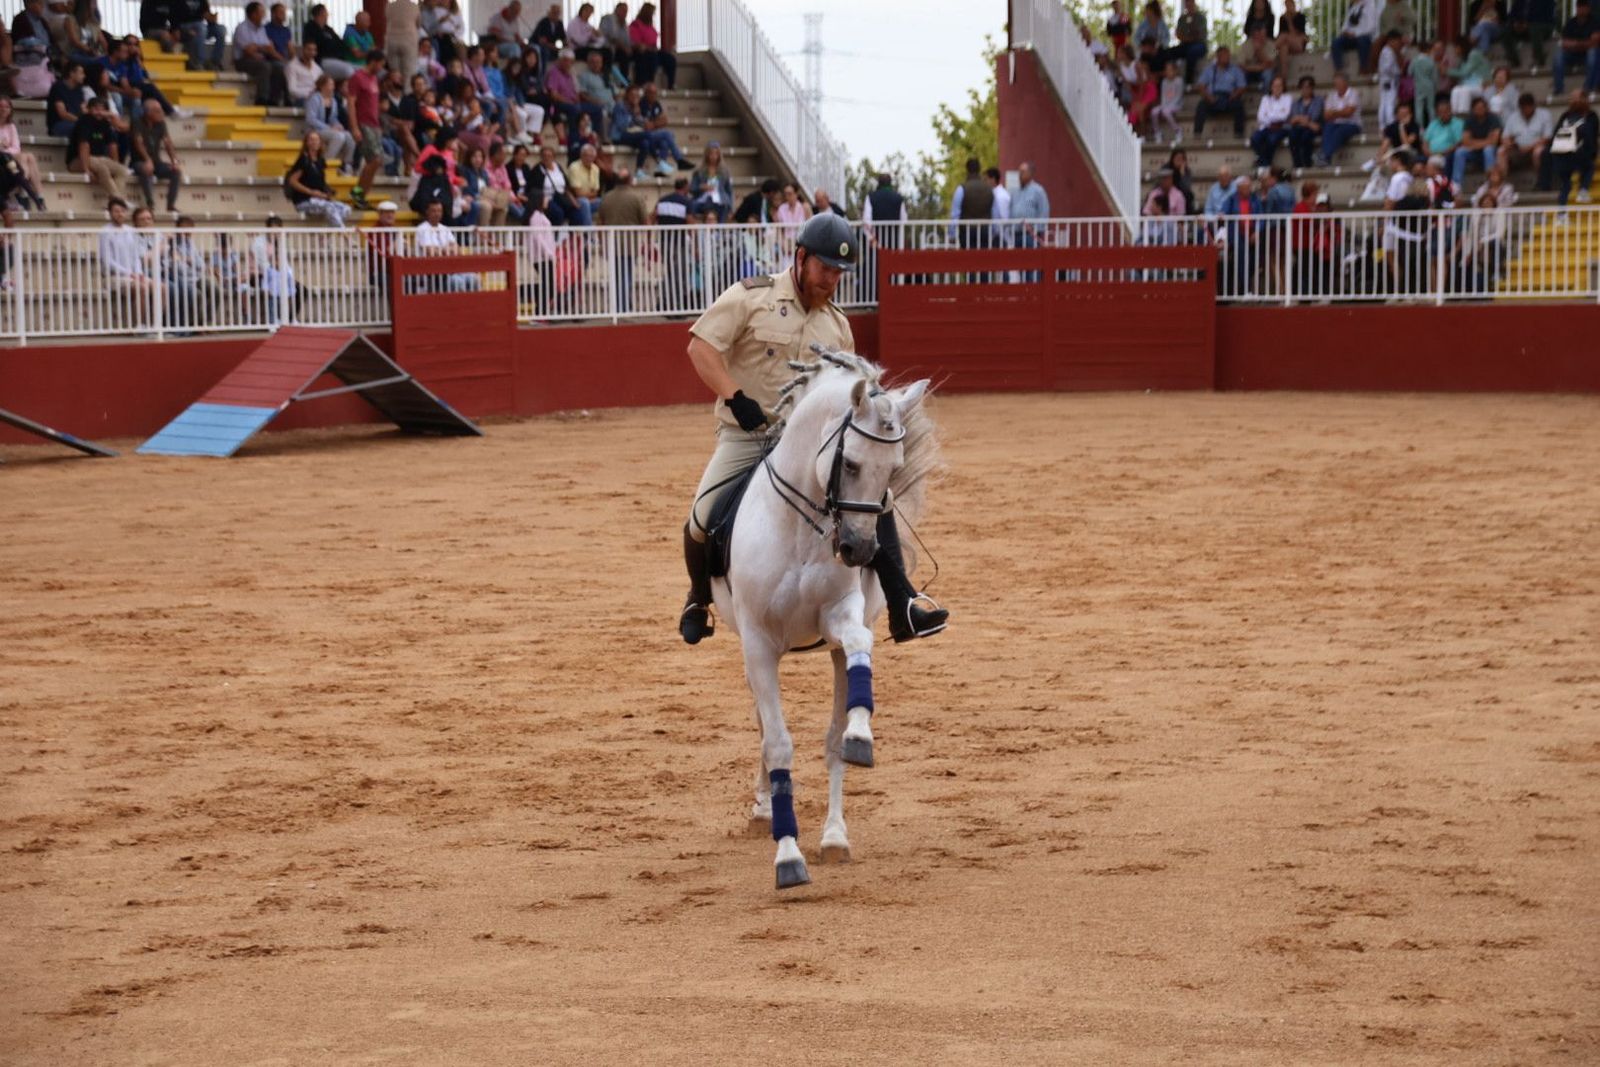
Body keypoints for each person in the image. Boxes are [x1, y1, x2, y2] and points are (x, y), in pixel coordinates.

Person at [679, 211, 947, 646]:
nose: (831, 280)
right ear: (801, 258)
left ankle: (903, 605)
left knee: (877, 502)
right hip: (747, 436)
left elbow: (850, 395)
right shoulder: (750, 298)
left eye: (839, 273)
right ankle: (698, 598)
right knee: (701, 515)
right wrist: (735, 396)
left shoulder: (838, 325)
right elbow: (701, 349)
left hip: (808, 446)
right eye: (825, 268)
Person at [597, 164, 648, 310]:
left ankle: (617, 305)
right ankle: (623, 306)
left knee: (616, 275)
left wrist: (602, 244)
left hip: (611, 243)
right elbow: (644, 221)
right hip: (630, 243)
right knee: (627, 275)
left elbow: (600, 223)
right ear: (629, 180)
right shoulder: (636, 197)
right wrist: (647, 242)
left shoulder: (606, 197)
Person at [99, 196, 160, 316]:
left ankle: (157, 324)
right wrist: (129, 273)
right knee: (141, 288)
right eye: (116, 211)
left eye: (122, 211)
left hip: (133, 275)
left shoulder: (131, 230)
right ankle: (141, 326)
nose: (120, 214)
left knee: (161, 288)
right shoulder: (105, 231)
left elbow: (135, 256)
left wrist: (139, 272)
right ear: (110, 213)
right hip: (114, 276)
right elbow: (107, 261)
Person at [1460, 163, 1514, 292]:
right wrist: (1468, 252)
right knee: (1470, 260)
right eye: (1484, 203)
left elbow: (1499, 234)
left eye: (1489, 203)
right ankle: (1475, 290)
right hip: (1478, 244)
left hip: (1492, 242)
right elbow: (1471, 234)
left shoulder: (1499, 213)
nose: (1486, 205)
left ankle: (1494, 274)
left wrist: (1483, 242)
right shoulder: (1476, 216)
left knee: (1492, 247)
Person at [285, 129, 351, 227]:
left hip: (319, 199)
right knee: (329, 208)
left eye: (316, 139)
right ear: (307, 143)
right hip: (305, 200)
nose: (314, 142)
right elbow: (293, 181)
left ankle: (326, 235)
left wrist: (326, 193)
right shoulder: (303, 160)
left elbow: (320, 182)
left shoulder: (321, 161)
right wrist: (311, 192)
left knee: (346, 209)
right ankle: (345, 234)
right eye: (311, 139)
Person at [346, 49, 386, 209]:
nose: (381, 68)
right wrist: (354, 127)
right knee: (374, 160)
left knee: (377, 161)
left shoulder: (374, 78)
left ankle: (361, 194)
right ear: (373, 62)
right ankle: (357, 192)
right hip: (363, 123)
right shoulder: (357, 77)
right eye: (380, 65)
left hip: (374, 124)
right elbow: (351, 103)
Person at [67, 96, 128, 201]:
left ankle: (116, 200)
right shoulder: (84, 121)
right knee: (103, 168)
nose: (99, 112)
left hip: (99, 158)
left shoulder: (105, 123)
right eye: (96, 109)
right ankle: (119, 200)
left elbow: (113, 145)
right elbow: (84, 146)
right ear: (89, 109)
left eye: (102, 109)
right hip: (77, 160)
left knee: (121, 170)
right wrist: (86, 169)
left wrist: (115, 164)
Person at [1550, 91, 1598, 214]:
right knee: (1589, 167)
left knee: (1566, 185)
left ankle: (1561, 215)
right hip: (1575, 154)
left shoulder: (1566, 117)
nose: (1572, 100)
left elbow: (1555, 135)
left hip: (1560, 156)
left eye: (1574, 98)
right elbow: (1589, 140)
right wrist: (1591, 154)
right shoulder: (1582, 120)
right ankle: (1583, 190)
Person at [130, 97, 181, 212]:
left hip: (156, 162)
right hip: (139, 161)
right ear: (148, 113)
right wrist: (147, 159)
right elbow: (138, 142)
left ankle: (170, 205)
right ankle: (150, 203)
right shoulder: (137, 122)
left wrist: (174, 161)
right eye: (158, 111)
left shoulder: (161, 124)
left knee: (176, 172)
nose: (162, 113)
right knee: (145, 169)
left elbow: (168, 143)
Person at [414, 198, 478, 288]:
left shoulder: (445, 229)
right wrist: (447, 249)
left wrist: (442, 250)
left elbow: (457, 250)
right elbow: (431, 253)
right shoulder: (422, 229)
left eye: (439, 211)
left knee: (473, 278)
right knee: (457, 281)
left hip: (451, 269)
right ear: (427, 212)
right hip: (432, 273)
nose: (437, 214)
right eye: (434, 211)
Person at [234, 1, 286, 107]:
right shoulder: (242, 28)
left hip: (259, 59)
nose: (264, 15)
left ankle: (274, 100)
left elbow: (269, 48)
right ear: (253, 14)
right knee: (264, 66)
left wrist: (282, 59)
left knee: (279, 67)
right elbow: (248, 51)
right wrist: (261, 48)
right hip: (242, 61)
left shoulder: (261, 28)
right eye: (261, 12)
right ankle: (262, 99)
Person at [0, 97, 46, 209]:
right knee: (24, 157)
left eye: (6, 107)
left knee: (28, 156)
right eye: (1, 106)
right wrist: (5, 148)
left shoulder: (11, 126)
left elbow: (16, 148)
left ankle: (38, 195)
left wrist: (5, 148)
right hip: (2, 161)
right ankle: (26, 194)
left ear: (10, 110)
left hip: (10, 157)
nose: (3, 109)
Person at [1502, 91, 1554, 190]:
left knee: (1538, 152)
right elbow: (1505, 137)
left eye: (1527, 107)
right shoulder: (1513, 117)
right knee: (1501, 152)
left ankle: (1540, 181)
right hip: (1517, 149)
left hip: (1536, 147)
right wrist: (1509, 144)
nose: (1525, 110)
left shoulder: (1544, 114)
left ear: (1533, 106)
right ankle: (1503, 184)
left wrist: (1529, 147)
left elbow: (1547, 137)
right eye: (1522, 108)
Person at [304, 74, 355, 174]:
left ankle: (346, 164)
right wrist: (329, 127)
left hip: (328, 129)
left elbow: (333, 118)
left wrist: (338, 125)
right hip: (315, 129)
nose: (333, 87)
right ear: (322, 86)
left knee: (349, 136)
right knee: (339, 137)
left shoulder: (333, 100)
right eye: (330, 84)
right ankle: (324, 163)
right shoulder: (314, 98)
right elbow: (311, 119)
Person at [1194, 47, 1246, 137]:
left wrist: (1235, 95)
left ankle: (1239, 133)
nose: (1228, 57)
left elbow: (1242, 86)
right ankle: (1197, 134)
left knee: (1239, 106)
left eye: (1228, 55)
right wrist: (1209, 97)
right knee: (1201, 105)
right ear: (1218, 57)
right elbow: (1201, 86)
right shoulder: (1209, 70)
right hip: (1213, 97)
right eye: (1225, 55)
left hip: (1229, 98)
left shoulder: (1235, 70)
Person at [638, 82, 691, 171]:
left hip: (654, 135)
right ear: (646, 93)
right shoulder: (641, 104)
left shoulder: (656, 104)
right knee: (667, 134)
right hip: (644, 135)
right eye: (651, 92)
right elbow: (646, 126)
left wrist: (654, 124)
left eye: (655, 93)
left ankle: (661, 168)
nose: (653, 95)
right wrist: (657, 123)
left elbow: (665, 121)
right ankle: (679, 159)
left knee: (665, 143)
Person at [1453, 95, 1501, 187]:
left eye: (1482, 107)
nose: (1480, 110)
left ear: (1486, 108)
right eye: (1477, 108)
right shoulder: (1469, 120)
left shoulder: (1493, 119)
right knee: (1460, 152)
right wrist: (1486, 141)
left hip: (1491, 153)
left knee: (1488, 149)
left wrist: (1474, 143)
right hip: (1474, 152)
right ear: (1473, 109)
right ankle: (1456, 185)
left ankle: (1489, 182)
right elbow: (1465, 142)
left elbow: (1494, 141)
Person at [1554, 0, 1599, 96]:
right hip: (1572, 54)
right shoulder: (1571, 23)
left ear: (1588, 8)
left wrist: (1575, 44)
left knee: (1593, 53)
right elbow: (1564, 43)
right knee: (1558, 56)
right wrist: (1584, 43)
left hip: (1586, 54)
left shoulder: (1594, 22)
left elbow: (1595, 42)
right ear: (1577, 8)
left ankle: (1588, 88)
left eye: (1584, 7)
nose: (1582, 9)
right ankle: (1559, 89)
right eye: (1580, 7)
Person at [949, 156, 993, 252]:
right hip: (985, 231)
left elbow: (955, 214)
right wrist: (994, 232)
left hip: (967, 232)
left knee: (968, 263)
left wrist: (952, 234)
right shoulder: (989, 189)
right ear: (979, 169)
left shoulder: (962, 189)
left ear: (967, 169)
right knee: (983, 262)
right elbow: (994, 212)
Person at [1319, 71, 1362, 166]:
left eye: (1339, 83)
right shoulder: (1331, 95)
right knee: (1327, 128)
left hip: (1352, 124)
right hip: (1335, 124)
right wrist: (1340, 112)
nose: (1336, 85)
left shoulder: (1353, 93)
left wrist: (1334, 112)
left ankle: (1325, 155)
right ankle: (1326, 156)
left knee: (1340, 131)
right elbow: (1326, 116)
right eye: (1335, 83)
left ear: (1345, 83)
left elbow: (1349, 113)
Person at [302, 3, 354, 80]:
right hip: (322, 60)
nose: (327, 15)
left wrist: (350, 47)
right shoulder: (310, 28)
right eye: (326, 12)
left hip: (337, 59)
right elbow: (316, 45)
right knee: (349, 71)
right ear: (321, 13)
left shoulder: (328, 29)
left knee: (360, 70)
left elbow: (340, 43)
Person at [629, 3, 673, 89]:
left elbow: (654, 41)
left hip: (653, 50)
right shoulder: (636, 24)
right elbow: (637, 43)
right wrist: (647, 47)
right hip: (640, 52)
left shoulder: (651, 27)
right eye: (652, 13)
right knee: (650, 57)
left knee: (670, 59)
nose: (653, 15)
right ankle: (645, 83)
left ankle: (671, 85)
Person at [1251, 75, 1292, 167]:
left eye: (1279, 86)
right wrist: (1274, 117)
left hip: (1281, 128)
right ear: (1271, 87)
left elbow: (1285, 116)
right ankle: (1265, 163)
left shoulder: (1287, 98)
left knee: (1271, 140)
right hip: (1267, 127)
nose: (1277, 88)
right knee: (1255, 138)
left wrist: (1269, 115)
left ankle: (1262, 162)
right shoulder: (1265, 99)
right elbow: (1260, 117)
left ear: (1283, 87)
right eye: (1275, 86)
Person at [1503, 0, 1558, 68]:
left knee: (1535, 28)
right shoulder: (1519, 2)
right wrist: (1515, 23)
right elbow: (1511, 15)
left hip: (1543, 27)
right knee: (1505, 31)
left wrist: (1528, 23)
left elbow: (1547, 18)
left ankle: (1539, 59)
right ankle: (1514, 60)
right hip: (1524, 28)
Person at [575, 48, 615, 136]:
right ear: (588, 63)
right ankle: (605, 138)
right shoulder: (584, 76)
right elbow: (582, 94)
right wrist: (595, 101)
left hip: (612, 105)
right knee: (602, 112)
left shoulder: (607, 76)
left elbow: (614, 92)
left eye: (598, 62)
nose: (596, 64)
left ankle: (618, 137)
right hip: (597, 106)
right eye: (593, 62)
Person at [690, 141, 733, 222]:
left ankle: (718, 231)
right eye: (711, 154)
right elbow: (692, 188)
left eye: (716, 154)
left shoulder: (725, 171)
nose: (714, 156)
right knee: (691, 207)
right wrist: (701, 187)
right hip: (703, 199)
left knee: (724, 207)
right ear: (707, 155)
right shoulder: (699, 171)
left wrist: (731, 208)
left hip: (720, 200)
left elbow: (729, 190)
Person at [1331, 0, 1378, 74]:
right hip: (1350, 38)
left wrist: (1355, 34)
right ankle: (1339, 69)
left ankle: (1364, 68)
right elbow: (1345, 26)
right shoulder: (1353, 7)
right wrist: (1345, 32)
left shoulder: (1370, 5)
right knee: (1336, 42)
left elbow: (1371, 27)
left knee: (1363, 40)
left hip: (1364, 37)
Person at [1424, 97, 1464, 176]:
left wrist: (1442, 153)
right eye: (1440, 112)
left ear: (1451, 111)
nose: (1443, 114)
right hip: (1430, 154)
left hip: (1446, 154)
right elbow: (1425, 141)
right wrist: (1427, 151)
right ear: (1437, 113)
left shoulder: (1458, 123)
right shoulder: (1433, 123)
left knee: (1433, 165)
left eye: (1446, 111)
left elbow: (1459, 143)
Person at [1410, 39, 1444, 129]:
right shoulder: (1431, 61)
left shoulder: (1415, 60)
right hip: (1430, 86)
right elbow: (1435, 77)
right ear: (1429, 50)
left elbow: (1409, 72)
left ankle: (1419, 128)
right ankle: (1432, 126)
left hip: (1418, 85)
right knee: (1431, 107)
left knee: (1419, 107)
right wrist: (1437, 87)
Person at [1173, 0, 1207, 82]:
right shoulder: (1182, 19)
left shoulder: (1201, 18)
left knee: (1192, 52)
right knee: (1170, 53)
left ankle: (1189, 82)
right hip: (1184, 45)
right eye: (1187, 2)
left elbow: (1199, 35)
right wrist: (1188, 37)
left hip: (1199, 45)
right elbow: (1178, 35)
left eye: (1190, 2)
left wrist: (1187, 37)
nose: (1188, 4)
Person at [598, 2, 633, 84]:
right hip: (607, 48)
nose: (625, 13)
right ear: (617, 9)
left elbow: (627, 40)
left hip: (619, 49)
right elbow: (608, 35)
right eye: (623, 10)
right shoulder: (607, 19)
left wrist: (629, 48)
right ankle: (622, 81)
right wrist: (622, 46)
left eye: (626, 11)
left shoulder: (624, 24)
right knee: (622, 54)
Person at [566, 140, 602, 218]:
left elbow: (596, 192)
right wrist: (590, 195)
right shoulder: (574, 167)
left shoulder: (595, 169)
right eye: (586, 156)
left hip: (590, 200)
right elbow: (578, 194)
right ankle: (588, 230)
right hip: (575, 201)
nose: (589, 159)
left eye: (591, 156)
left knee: (604, 202)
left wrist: (587, 195)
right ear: (581, 156)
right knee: (585, 203)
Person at [1375, 30, 1402, 130]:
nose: (1398, 45)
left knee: (1384, 101)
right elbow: (1388, 68)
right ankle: (1389, 122)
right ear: (1392, 41)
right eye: (1398, 42)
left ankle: (1383, 124)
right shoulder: (1388, 52)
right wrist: (1398, 72)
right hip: (1389, 80)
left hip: (1385, 80)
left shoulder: (1386, 51)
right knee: (1389, 101)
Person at [1152, 60, 1183, 143]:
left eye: (1170, 70)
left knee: (1166, 112)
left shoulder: (1179, 81)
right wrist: (1163, 105)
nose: (1168, 72)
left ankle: (1177, 130)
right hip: (1165, 104)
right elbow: (1163, 96)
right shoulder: (1164, 82)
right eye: (1166, 70)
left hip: (1176, 104)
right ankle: (1157, 132)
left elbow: (1178, 96)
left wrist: (1168, 106)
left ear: (1175, 71)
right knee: (1154, 112)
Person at [285, 40, 322, 106]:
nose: (312, 52)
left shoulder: (318, 69)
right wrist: (310, 94)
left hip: (316, 98)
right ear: (303, 50)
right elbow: (292, 90)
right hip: (299, 99)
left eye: (314, 50)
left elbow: (321, 86)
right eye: (309, 49)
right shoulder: (292, 66)